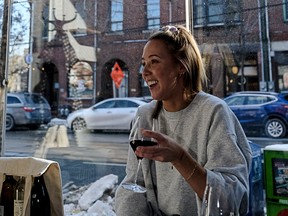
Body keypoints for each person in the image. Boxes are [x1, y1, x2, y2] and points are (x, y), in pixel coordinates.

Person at [115, 25, 252, 216]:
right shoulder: (144, 116)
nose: (144, 72)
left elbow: (230, 200)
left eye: (154, 62)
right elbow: (133, 184)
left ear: (181, 66)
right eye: (143, 63)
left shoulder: (214, 112)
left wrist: (180, 158)